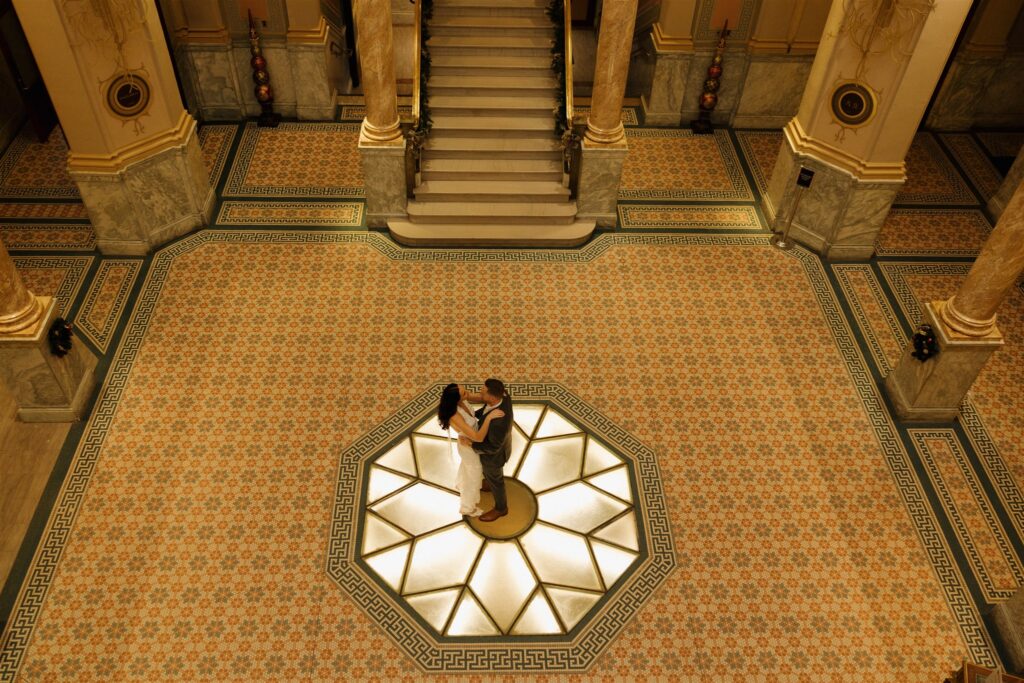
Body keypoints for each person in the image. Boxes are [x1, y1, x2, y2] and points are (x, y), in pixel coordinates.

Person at [437, 383, 504, 517]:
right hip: (468, 445)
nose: (467, 393)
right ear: (456, 399)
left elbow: (480, 401)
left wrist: (497, 395)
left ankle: (461, 484)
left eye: (464, 390)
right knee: (473, 475)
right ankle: (467, 507)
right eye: (464, 393)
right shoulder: (454, 414)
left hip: (472, 441)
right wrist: (490, 417)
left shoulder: (463, 399)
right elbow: (478, 438)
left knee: (469, 470)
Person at [459, 378, 513, 522]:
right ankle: (488, 483)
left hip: (494, 458)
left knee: (497, 481)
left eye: (483, 393)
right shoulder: (504, 396)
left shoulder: (498, 423)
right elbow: (484, 405)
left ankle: (501, 509)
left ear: (492, 397)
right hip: (499, 443)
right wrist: (468, 404)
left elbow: (493, 447)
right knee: (488, 475)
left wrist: (470, 443)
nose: (479, 394)